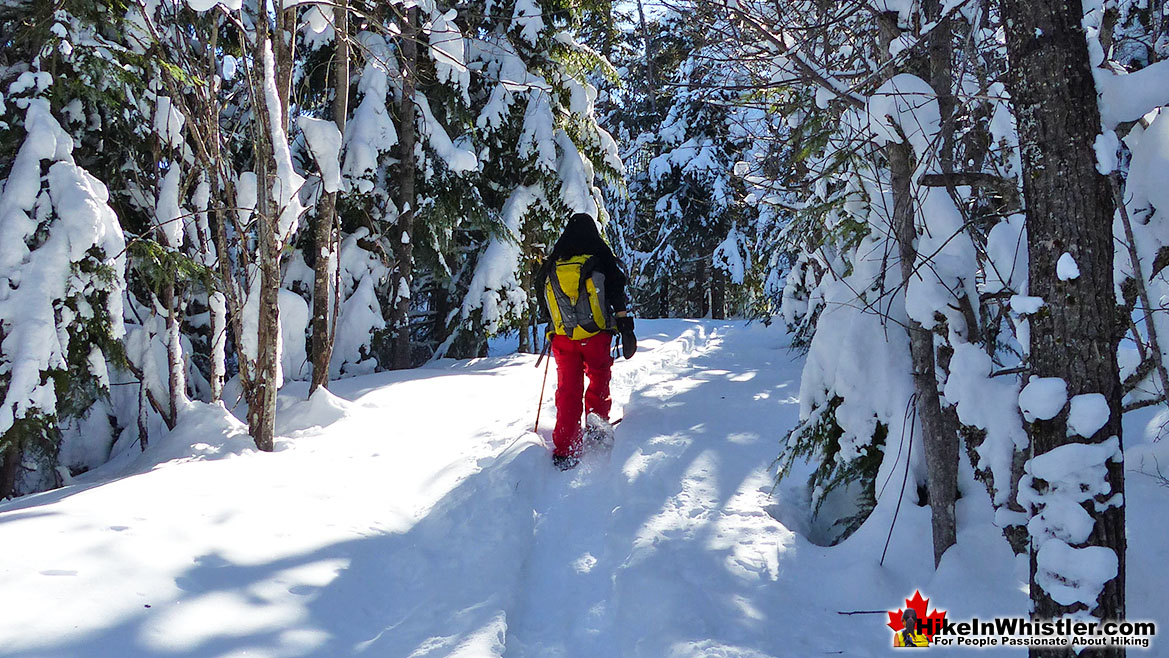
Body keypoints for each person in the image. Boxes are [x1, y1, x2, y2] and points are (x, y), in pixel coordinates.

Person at [536, 212, 634, 470]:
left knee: (568, 389)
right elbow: (616, 290)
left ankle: (566, 448)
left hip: (564, 338)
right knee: (599, 379)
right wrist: (625, 325)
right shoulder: (600, 258)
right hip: (596, 336)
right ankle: (597, 430)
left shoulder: (554, 262)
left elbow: (541, 297)